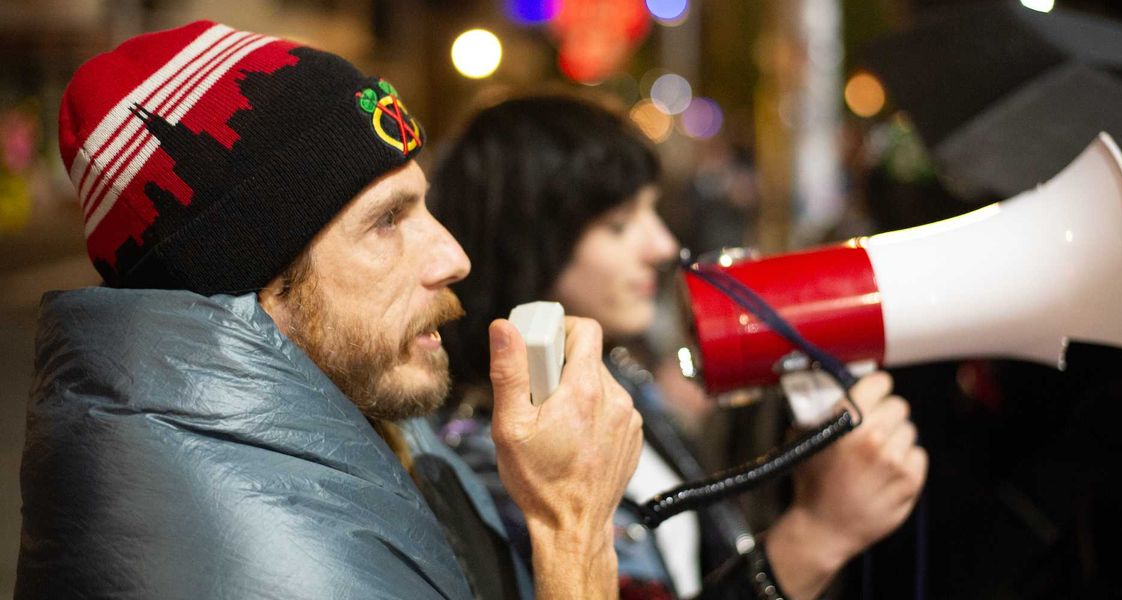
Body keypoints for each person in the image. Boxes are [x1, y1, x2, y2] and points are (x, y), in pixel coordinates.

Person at [16, 22, 644, 599]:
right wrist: (571, 528)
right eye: (388, 219)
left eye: (423, 206)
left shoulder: (357, 408)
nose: (454, 257)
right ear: (252, 278)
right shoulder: (259, 568)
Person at [430, 95, 929, 600]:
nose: (664, 246)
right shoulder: (490, 463)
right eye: (619, 224)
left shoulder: (611, 375)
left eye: (652, 210)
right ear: (527, 242)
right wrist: (817, 535)